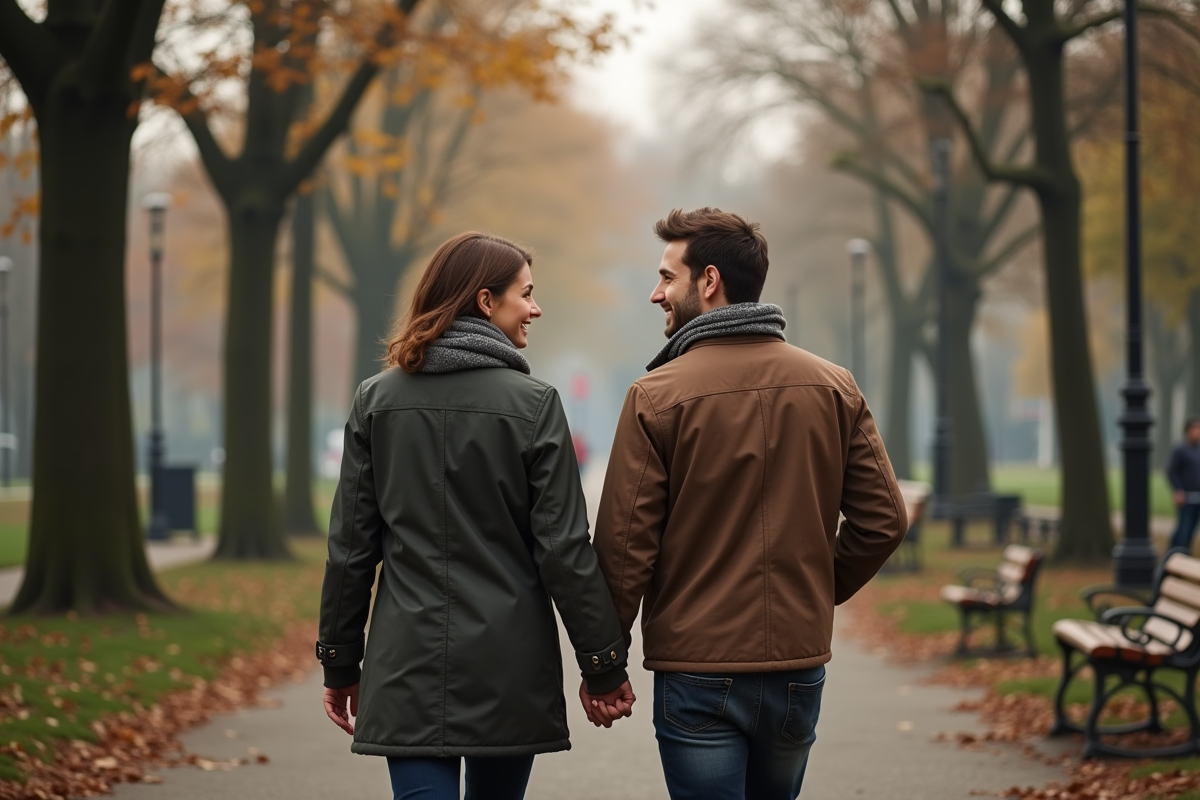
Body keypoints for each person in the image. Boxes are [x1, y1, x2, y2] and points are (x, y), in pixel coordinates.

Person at [592, 208, 908, 800]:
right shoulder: (834, 386)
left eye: (667, 277)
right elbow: (884, 520)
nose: (655, 293)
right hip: (795, 665)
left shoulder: (655, 397)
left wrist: (605, 663)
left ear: (708, 281)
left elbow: (622, 547)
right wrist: (814, 587)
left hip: (697, 666)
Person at [316, 232, 635, 800]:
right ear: (486, 302)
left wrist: (340, 662)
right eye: (526, 294)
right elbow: (563, 548)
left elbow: (351, 549)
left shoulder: (377, 401)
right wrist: (603, 665)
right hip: (509, 670)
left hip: (404, 664)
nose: (536, 308)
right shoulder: (534, 405)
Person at [1168, 417, 1200, 554]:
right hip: (1186, 497)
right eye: (1195, 428)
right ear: (1188, 430)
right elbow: (1171, 471)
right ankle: (1174, 554)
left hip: (1198, 497)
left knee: (1192, 530)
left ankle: (1185, 554)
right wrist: (1178, 490)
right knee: (1183, 529)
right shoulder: (1180, 450)